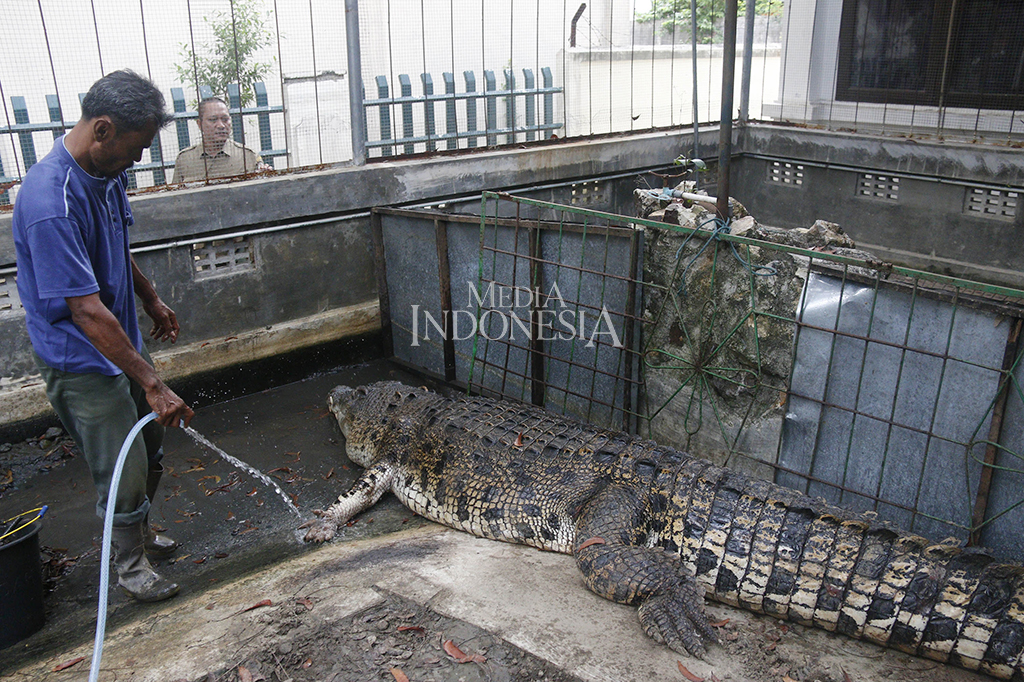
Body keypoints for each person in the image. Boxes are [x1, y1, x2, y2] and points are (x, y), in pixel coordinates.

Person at [12, 70, 195, 603]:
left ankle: (140, 532)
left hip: (120, 344)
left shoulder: (105, 174)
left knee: (152, 444)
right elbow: (86, 312)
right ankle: (130, 565)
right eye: (134, 148)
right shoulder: (50, 201)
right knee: (123, 465)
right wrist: (154, 382)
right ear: (103, 129)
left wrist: (149, 296)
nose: (137, 161)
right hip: (80, 358)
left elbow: (115, 244)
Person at [171, 97, 268, 182]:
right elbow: (175, 198)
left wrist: (266, 176)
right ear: (200, 124)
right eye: (213, 120)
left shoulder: (248, 156)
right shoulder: (185, 159)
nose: (221, 126)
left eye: (225, 119)